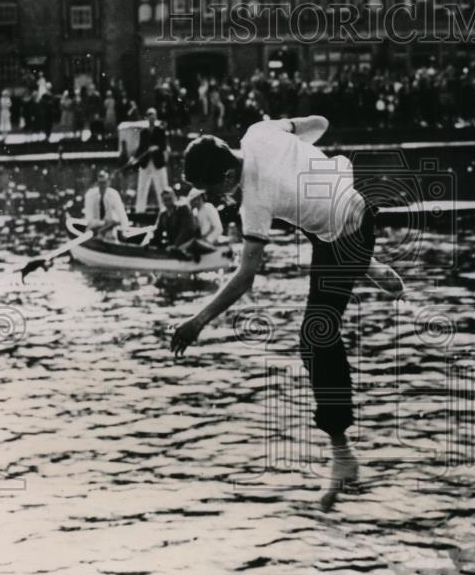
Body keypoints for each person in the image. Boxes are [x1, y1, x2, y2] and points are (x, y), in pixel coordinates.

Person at [170, 116, 403, 510]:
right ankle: (368, 264)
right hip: (345, 192)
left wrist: (199, 321)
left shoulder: (255, 205)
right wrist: (297, 160)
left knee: (315, 340)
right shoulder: (257, 133)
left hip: (348, 236)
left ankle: (342, 455)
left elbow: (245, 278)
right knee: (298, 198)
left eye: (210, 192)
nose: (209, 201)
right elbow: (321, 122)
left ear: (228, 177)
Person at [134, 108, 169, 212]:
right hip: (145, 163)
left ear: (156, 117)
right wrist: (135, 158)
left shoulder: (160, 131)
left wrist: (156, 147)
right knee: (142, 188)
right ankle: (139, 211)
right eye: (149, 115)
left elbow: (163, 146)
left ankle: (165, 210)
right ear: (147, 117)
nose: (151, 117)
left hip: (157, 162)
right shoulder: (143, 132)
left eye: (153, 115)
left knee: (162, 188)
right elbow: (141, 147)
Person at [83, 169, 130, 241]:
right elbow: (89, 219)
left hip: (109, 228)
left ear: (108, 183)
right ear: (97, 183)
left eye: (104, 183)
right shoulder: (90, 195)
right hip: (94, 228)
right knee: (97, 238)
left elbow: (122, 215)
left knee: (111, 237)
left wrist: (125, 231)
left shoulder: (114, 194)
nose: (102, 186)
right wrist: (105, 223)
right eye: (100, 183)